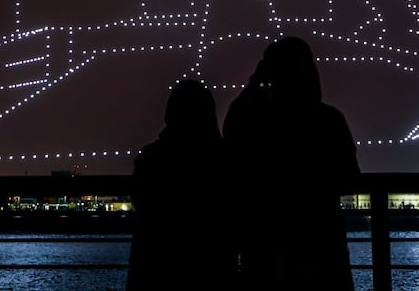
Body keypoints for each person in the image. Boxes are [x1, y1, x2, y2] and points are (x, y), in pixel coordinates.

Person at [223, 36, 360, 290]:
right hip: (321, 240)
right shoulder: (329, 119)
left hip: (266, 242)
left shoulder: (256, 121)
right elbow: (349, 177)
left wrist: (256, 84)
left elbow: (232, 134)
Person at [126, 79, 237, 290]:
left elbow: (145, 205)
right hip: (212, 267)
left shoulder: (151, 158)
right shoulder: (223, 159)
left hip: (155, 267)